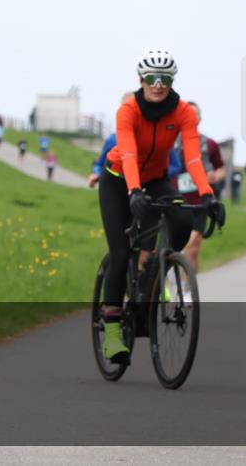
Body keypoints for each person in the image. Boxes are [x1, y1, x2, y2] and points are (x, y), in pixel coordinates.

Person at [97, 49, 222, 364]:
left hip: (155, 179)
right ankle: (112, 332)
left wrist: (208, 194)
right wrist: (133, 189)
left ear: (171, 81)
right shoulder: (128, 110)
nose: (157, 84)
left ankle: (153, 273)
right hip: (117, 179)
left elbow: (193, 157)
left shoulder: (183, 112)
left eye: (164, 78)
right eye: (151, 78)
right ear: (141, 79)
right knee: (121, 252)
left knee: (180, 220)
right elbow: (126, 152)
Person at [170, 101, 226, 272]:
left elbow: (221, 169)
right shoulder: (170, 141)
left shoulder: (210, 144)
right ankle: (166, 278)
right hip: (173, 199)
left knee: (193, 246)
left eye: (194, 115)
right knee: (170, 246)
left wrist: (215, 176)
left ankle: (187, 289)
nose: (190, 118)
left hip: (199, 201)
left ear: (200, 119)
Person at [88, 92, 135, 188]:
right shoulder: (113, 139)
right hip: (118, 187)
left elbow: (173, 165)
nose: (131, 112)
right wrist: (96, 174)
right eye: (127, 108)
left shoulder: (154, 136)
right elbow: (100, 163)